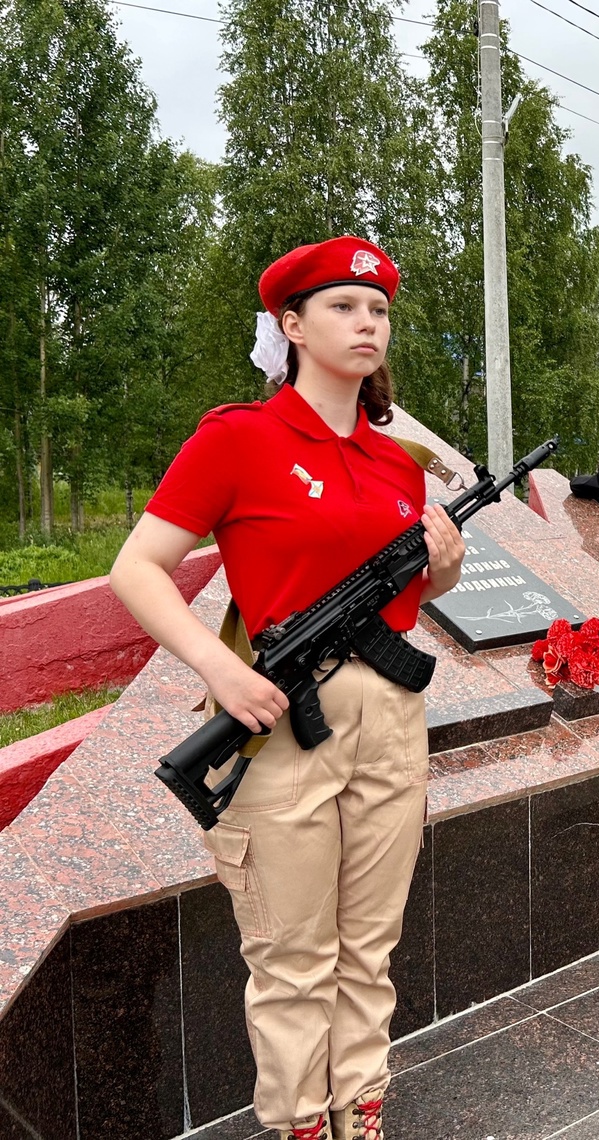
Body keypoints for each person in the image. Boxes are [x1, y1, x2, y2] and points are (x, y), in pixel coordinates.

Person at [110, 237, 466, 1140]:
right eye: (345, 306)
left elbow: (408, 596)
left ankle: (363, 1112)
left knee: (369, 949)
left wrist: (446, 570)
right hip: (278, 725)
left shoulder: (399, 465)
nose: (367, 323)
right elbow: (139, 569)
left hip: (391, 721)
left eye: (379, 309)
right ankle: (303, 1123)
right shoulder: (240, 438)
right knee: (294, 957)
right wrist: (219, 668)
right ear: (292, 325)